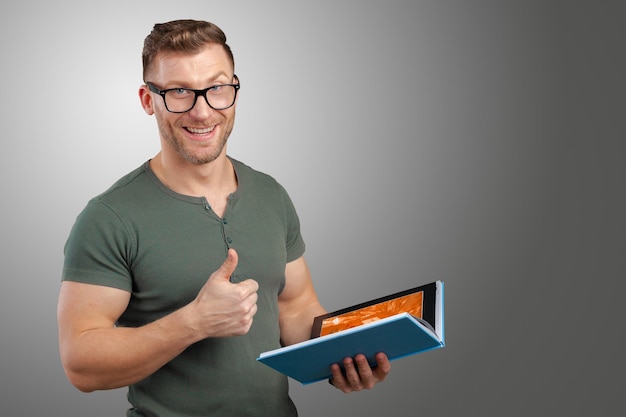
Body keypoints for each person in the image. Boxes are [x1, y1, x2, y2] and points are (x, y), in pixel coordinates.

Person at [57, 19, 391, 416]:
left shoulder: (270, 194)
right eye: (179, 91)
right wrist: (193, 323)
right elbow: (81, 364)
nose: (202, 111)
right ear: (148, 100)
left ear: (234, 90)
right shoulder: (109, 217)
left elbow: (296, 308)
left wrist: (344, 358)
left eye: (216, 88)